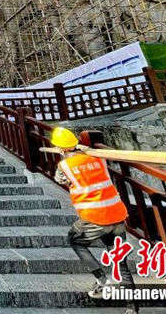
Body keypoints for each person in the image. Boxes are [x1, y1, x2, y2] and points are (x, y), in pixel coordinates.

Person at [51, 126, 138, 313]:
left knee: (75, 241)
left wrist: (64, 159)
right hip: (116, 214)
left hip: (94, 217)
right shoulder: (98, 156)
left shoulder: (65, 166)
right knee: (119, 260)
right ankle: (132, 307)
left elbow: (61, 180)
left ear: (60, 148)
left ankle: (102, 279)